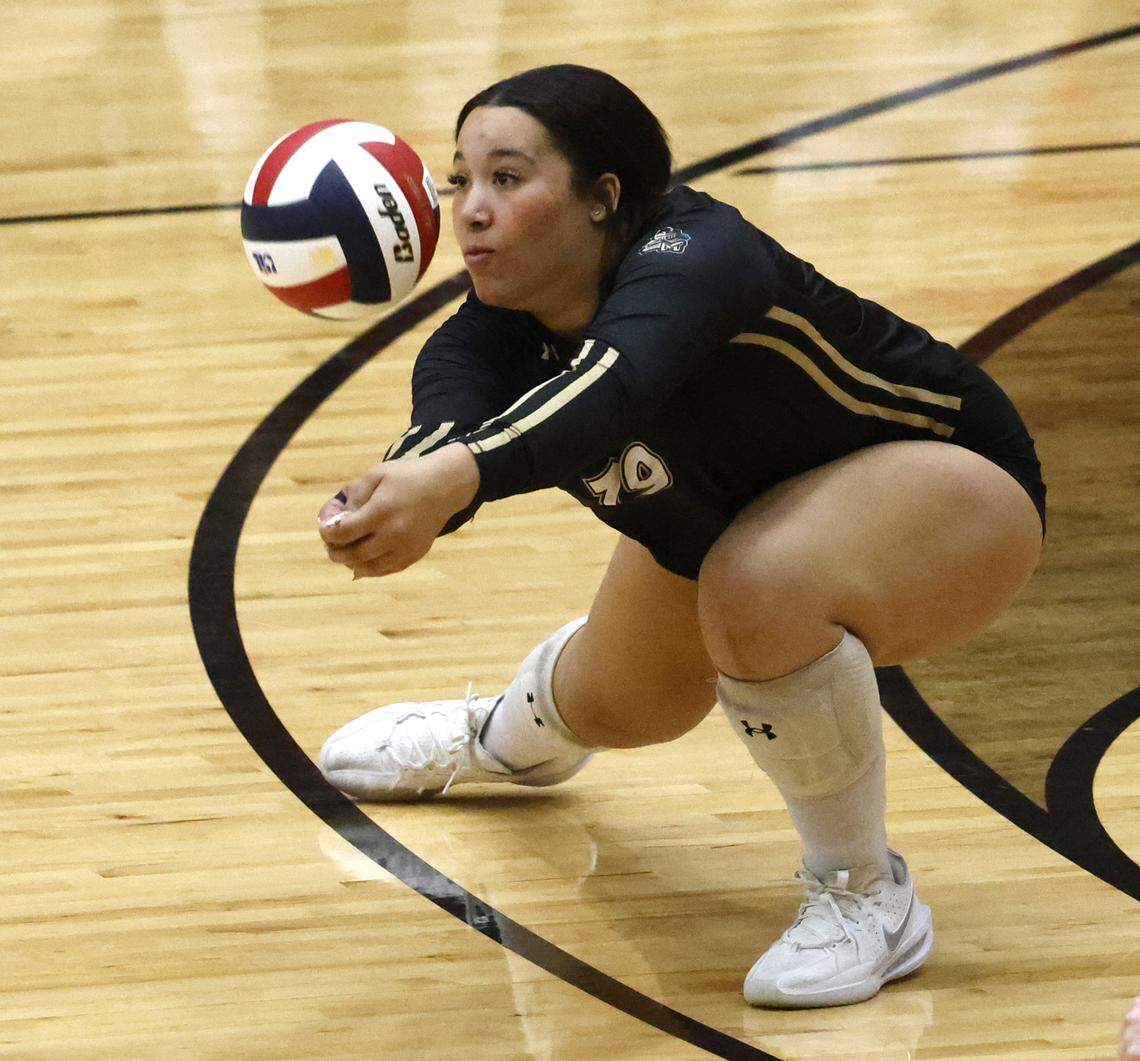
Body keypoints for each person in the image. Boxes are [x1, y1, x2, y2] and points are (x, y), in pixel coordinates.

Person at [316, 64, 1046, 1009]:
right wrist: (390, 494)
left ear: (602, 198)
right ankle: (501, 740)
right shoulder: (482, 333)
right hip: (738, 522)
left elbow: (605, 392)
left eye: (506, 177)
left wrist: (450, 479)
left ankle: (867, 892)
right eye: (459, 180)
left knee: (757, 584)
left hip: (959, 491)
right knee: (621, 701)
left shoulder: (702, 255)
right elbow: (446, 435)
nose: (471, 210)